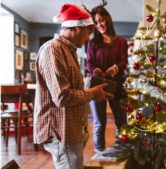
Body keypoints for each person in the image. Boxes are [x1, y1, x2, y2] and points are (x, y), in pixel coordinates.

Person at [34, 4, 112, 169]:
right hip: (62, 132)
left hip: (72, 128)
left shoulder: (69, 51)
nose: (88, 38)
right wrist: (92, 93)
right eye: (88, 32)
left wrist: (91, 83)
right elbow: (62, 96)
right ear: (77, 28)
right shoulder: (52, 50)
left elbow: (72, 86)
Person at [86, 4, 128, 152]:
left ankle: (122, 152)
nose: (99, 25)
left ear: (108, 19)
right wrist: (94, 69)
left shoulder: (122, 42)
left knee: (122, 122)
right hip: (97, 86)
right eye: (96, 22)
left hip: (117, 85)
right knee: (99, 123)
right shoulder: (92, 42)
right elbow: (89, 63)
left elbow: (124, 62)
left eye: (101, 20)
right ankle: (99, 153)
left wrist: (115, 68)